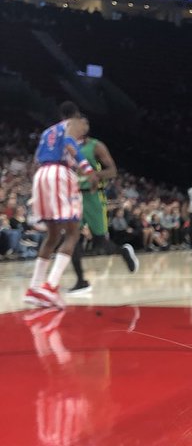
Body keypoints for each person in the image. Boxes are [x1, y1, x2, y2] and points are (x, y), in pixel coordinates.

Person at [24, 102, 95, 310]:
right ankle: (51, 286)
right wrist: (87, 170)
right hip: (59, 174)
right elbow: (71, 143)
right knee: (73, 232)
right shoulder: (71, 125)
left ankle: (35, 288)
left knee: (53, 235)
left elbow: (37, 157)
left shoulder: (47, 131)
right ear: (75, 116)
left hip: (41, 175)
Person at [68, 119, 139, 296]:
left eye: (82, 124)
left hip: (93, 197)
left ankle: (122, 251)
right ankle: (81, 281)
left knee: (100, 242)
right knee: (72, 238)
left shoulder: (95, 146)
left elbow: (112, 171)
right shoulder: (66, 147)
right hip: (73, 196)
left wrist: (95, 175)